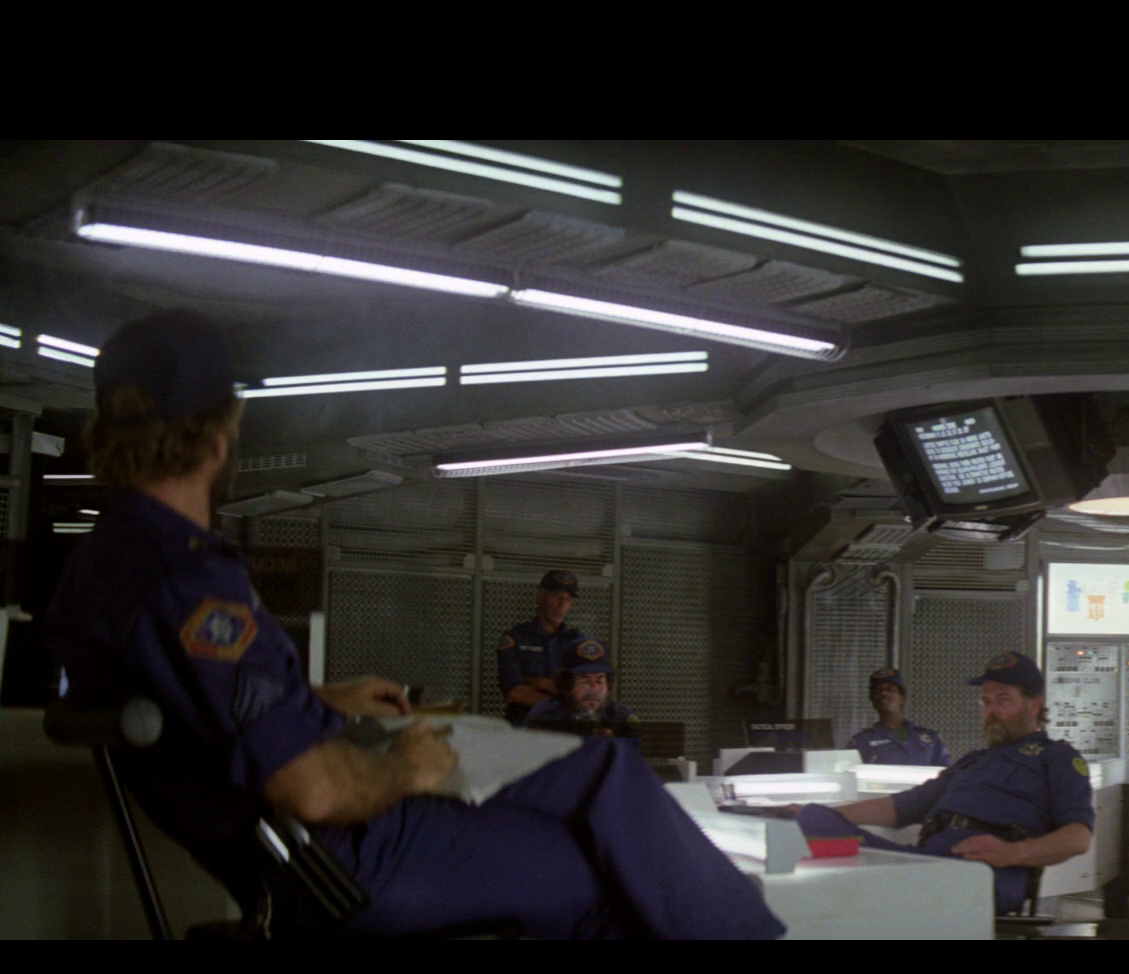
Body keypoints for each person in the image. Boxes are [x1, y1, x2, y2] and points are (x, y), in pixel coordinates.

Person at [45, 310, 783, 939]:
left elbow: (199, 710)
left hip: (290, 850)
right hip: (342, 860)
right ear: (217, 440)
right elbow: (313, 791)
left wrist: (316, 701)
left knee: (603, 776)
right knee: (603, 863)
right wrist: (406, 767)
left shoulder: (104, 563)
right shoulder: (190, 581)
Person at [792, 650, 1094, 915]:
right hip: (926, 863)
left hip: (982, 872)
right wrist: (826, 813)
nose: (991, 711)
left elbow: (1078, 837)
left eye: (1003, 700)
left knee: (843, 887)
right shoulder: (972, 762)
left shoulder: (1056, 758)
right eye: (986, 701)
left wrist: (1012, 853)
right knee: (809, 823)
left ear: (1033, 706)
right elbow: (903, 806)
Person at [497, 569, 588, 725]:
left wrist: (538, 682)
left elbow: (584, 693)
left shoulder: (578, 643)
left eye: (568, 599)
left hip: (565, 729)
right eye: (557, 596)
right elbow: (514, 692)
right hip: (525, 726)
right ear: (540, 597)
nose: (562, 604)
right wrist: (562, 702)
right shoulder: (516, 638)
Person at [522, 637, 636, 736]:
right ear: (567, 684)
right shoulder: (544, 716)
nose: (594, 689)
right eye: (585, 681)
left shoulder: (622, 716)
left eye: (600, 681)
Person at [844, 667, 951, 766]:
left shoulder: (931, 739)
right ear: (872, 700)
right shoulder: (862, 741)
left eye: (890, 689)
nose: (884, 693)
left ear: (902, 698)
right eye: (877, 691)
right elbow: (847, 774)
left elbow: (947, 775)